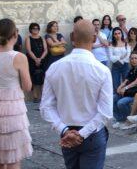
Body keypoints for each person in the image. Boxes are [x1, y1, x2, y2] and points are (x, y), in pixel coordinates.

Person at [40, 20, 113, 169]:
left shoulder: (55, 67)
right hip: (91, 133)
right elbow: (105, 112)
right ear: (94, 38)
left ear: (72, 37)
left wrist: (65, 130)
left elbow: (46, 107)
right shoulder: (102, 70)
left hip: (67, 132)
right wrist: (81, 134)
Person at [0, 18, 33, 168]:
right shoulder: (18, 57)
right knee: (13, 159)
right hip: (12, 111)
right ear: (15, 34)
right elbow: (28, 86)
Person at [112, 52, 137, 130]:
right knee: (112, 98)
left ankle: (130, 120)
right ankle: (120, 119)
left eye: (135, 58)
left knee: (121, 103)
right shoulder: (132, 70)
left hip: (136, 94)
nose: (133, 60)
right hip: (128, 93)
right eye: (132, 58)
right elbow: (126, 80)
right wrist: (120, 87)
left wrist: (125, 88)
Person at [25, 23, 47, 102]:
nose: (36, 30)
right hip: (32, 60)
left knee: (42, 77)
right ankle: (35, 96)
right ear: (30, 30)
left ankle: (42, 96)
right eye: (34, 28)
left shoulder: (42, 38)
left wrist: (40, 59)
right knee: (33, 78)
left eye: (37, 28)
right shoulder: (28, 38)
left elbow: (45, 50)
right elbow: (29, 50)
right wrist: (35, 59)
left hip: (42, 59)